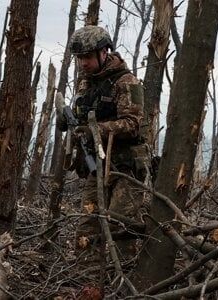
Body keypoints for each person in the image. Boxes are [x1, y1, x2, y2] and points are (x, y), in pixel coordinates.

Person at [55, 25, 151, 264]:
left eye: (87, 57)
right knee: (87, 225)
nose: (82, 63)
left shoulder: (127, 82)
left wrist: (95, 130)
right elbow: (80, 114)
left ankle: (124, 282)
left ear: (104, 53)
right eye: (79, 58)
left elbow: (133, 124)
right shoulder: (85, 83)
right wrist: (68, 122)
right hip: (96, 164)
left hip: (126, 166)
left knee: (122, 226)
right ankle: (86, 280)